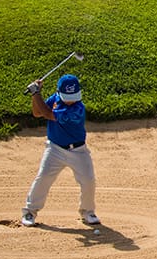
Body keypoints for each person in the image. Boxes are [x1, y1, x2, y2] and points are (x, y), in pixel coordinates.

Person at [20, 73, 101, 227]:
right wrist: (35, 95)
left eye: (73, 97)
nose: (71, 101)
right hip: (54, 149)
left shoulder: (78, 108)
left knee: (88, 180)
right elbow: (37, 113)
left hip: (78, 151)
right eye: (67, 97)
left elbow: (48, 114)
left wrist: (36, 92)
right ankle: (29, 212)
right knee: (43, 178)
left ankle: (88, 212)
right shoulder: (55, 99)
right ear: (58, 92)